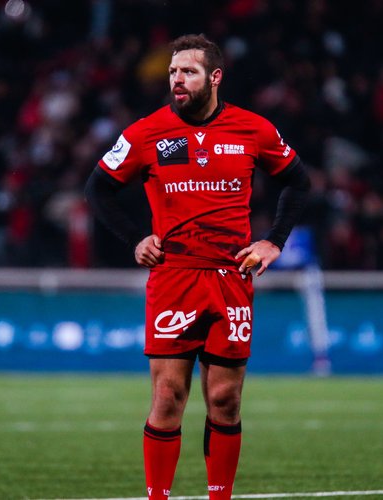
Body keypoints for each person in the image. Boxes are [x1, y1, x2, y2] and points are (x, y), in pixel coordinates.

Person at [85, 33, 311, 500]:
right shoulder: (146, 132)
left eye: (187, 71)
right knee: (168, 396)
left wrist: (273, 242)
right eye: (172, 72)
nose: (177, 80)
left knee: (225, 399)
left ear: (215, 77)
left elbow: (299, 182)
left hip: (231, 276)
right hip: (175, 276)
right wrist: (135, 238)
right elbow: (97, 189)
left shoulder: (254, 130)